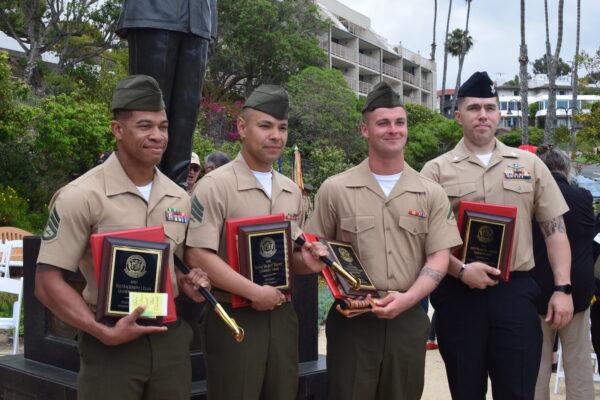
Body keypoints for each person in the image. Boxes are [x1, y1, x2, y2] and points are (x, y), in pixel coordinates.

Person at [34, 75, 210, 400]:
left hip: (169, 340)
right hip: (109, 342)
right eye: (145, 126)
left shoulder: (179, 197)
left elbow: (175, 268)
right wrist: (102, 332)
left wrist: (189, 282)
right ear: (118, 130)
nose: (158, 136)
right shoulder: (81, 196)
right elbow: (47, 282)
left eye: (163, 126)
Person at [421, 71, 574, 400]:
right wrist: (461, 270)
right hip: (459, 295)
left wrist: (563, 288)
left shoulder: (529, 164)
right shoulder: (435, 170)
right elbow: (424, 239)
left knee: (518, 391)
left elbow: (555, 231)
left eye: (490, 107)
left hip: (515, 294)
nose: (483, 115)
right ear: (458, 114)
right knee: (466, 391)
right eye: (474, 107)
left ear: (499, 113)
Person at [306, 82, 463, 400]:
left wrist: (409, 299)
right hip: (353, 322)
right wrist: (310, 255)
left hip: (408, 318)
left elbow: (439, 256)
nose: (393, 130)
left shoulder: (430, 192)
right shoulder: (335, 189)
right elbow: (313, 250)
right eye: (383, 123)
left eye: (399, 122)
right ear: (365, 129)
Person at [184, 84, 327, 400]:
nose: (276, 135)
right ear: (241, 127)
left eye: (282, 127)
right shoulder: (215, 187)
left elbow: (291, 257)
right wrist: (253, 292)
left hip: (282, 314)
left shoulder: (291, 191)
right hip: (234, 314)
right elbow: (197, 254)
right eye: (265, 126)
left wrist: (310, 262)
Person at [116, 0, 218, 188]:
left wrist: (211, 29)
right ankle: (138, 191)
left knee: (185, 118)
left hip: (199, 20)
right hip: (153, 14)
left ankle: (174, 197)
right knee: (148, 109)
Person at [531, 145, 595, 400]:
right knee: (578, 364)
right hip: (577, 292)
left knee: (536, 365)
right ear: (565, 168)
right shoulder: (582, 197)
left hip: (537, 292)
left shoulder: (532, 197)